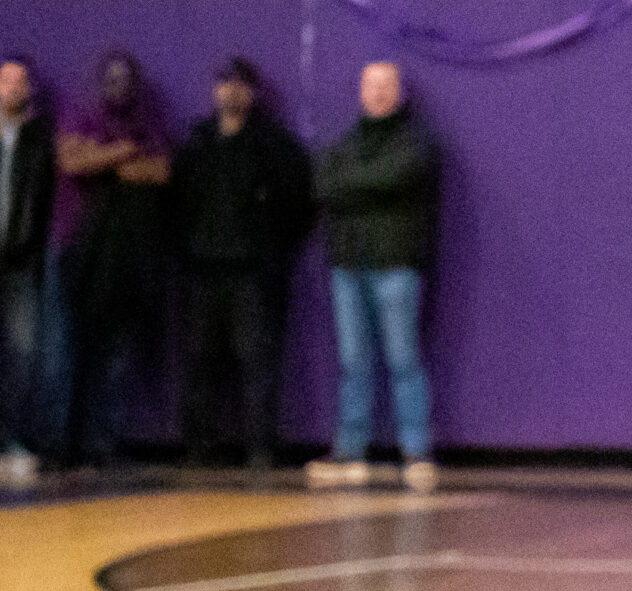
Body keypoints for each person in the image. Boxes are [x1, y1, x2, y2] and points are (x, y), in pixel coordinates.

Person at [171, 57, 312, 470]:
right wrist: (186, 249)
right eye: (223, 83)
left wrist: (272, 249)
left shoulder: (273, 145)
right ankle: (198, 447)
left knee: (257, 362)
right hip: (202, 268)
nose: (230, 91)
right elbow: (177, 204)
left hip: (251, 270)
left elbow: (297, 204)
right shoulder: (196, 144)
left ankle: (260, 448)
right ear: (214, 91)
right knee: (199, 362)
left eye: (239, 84)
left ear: (251, 92)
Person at [310, 60, 438, 492]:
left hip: (395, 265)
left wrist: (354, 185)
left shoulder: (415, 143)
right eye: (371, 85)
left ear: (399, 93)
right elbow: (324, 184)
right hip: (349, 265)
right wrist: (361, 185)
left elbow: (391, 178)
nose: (378, 93)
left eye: (387, 86)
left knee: (403, 358)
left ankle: (416, 452)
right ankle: (350, 451)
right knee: (353, 362)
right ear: (360, 91)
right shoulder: (345, 143)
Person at [54, 50, 169, 470]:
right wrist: (121, 152)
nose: (118, 85)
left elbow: (160, 171)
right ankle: (65, 444)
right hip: (85, 256)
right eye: (111, 78)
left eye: (126, 79)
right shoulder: (84, 117)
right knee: (75, 355)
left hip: (129, 263)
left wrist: (104, 156)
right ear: (101, 83)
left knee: (117, 361)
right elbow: (71, 161)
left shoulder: (147, 123)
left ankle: (104, 443)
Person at [0, 54, 54, 483]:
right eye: (6, 80)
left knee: (22, 354)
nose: (13, 88)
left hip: (18, 263)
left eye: (21, 81)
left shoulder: (38, 139)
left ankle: (12, 440)